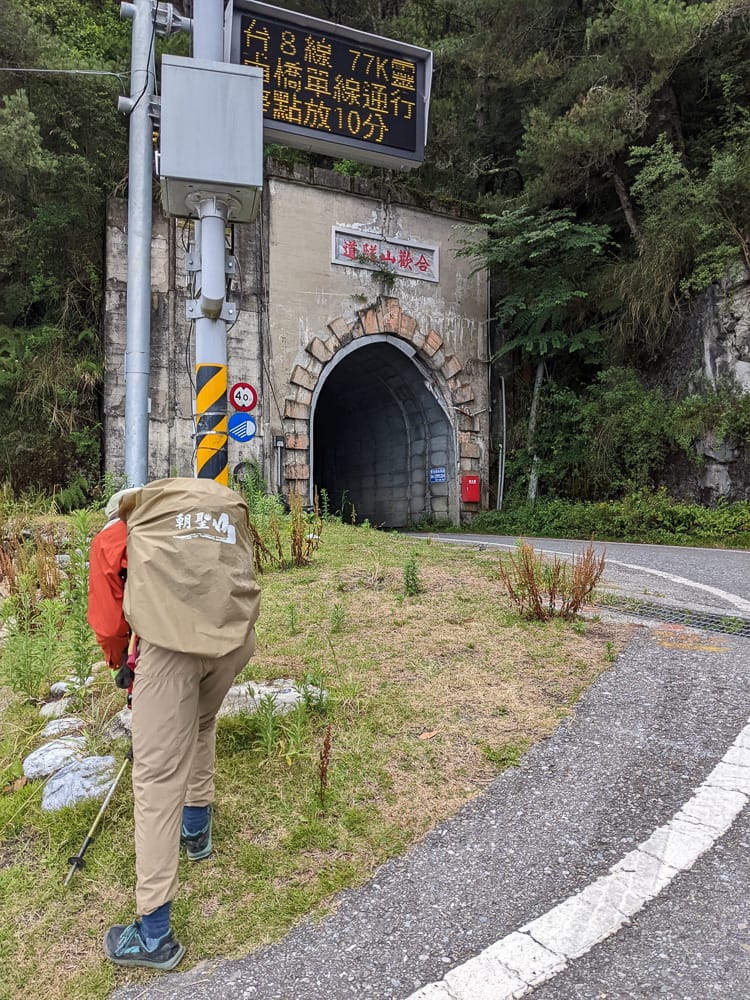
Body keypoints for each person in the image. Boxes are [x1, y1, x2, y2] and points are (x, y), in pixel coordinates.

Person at [87, 477, 261, 971]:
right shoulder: (219, 519)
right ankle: (196, 830)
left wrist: (121, 661)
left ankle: (154, 935)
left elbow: (106, 620)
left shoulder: (120, 533)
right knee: (202, 725)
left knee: (157, 778)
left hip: (169, 653)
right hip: (232, 643)